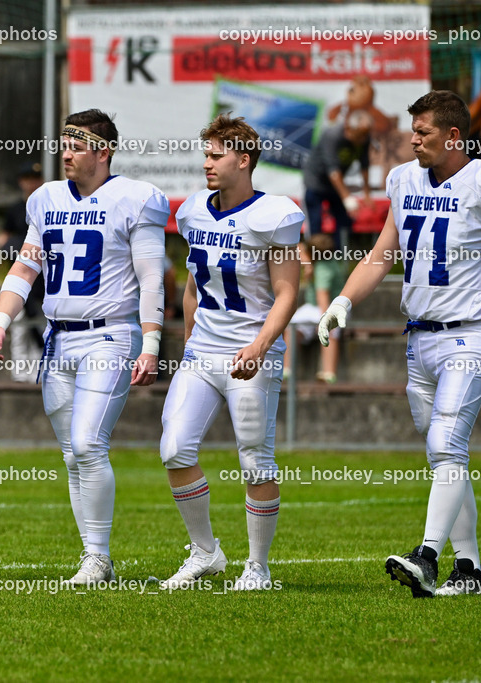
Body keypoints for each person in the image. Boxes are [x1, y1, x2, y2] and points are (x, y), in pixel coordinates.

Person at [318, 90, 481, 597]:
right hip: (419, 338)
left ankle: (427, 557)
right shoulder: (404, 180)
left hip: (472, 333)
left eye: (424, 132)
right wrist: (343, 302)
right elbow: (380, 254)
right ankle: (473, 571)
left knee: (445, 444)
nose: (413, 140)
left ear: (453, 136)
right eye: (413, 130)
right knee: (446, 458)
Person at [0, 109, 168, 586]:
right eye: (63, 144)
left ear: (103, 152)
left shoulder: (136, 199)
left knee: (88, 443)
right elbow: (26, 268)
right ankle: (95, 557)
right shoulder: (45, 199)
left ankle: (99, 557)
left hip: (110, 333)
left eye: (77, 145)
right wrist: (1, 320)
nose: (65, 153)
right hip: (58, 337)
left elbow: (152, 278)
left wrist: (151, 342)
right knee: (72, 454)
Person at [158, 114, 303, 591]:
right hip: (203, 351)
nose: (207, 164)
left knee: (255, 460)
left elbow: (286, 293)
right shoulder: (194, 210)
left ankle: (257, 566)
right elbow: (194, 288)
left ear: (244, 160)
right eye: (206, 154)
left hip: (251, 351)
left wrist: (260, 345)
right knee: (175, 448)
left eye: (217, 155)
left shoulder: (275, 213)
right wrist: (186, 340)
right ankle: (206, 552)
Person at [0, 161, 46, 382]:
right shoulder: (16, 209)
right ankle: (19, 373)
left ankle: (39, 371)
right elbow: (2, 242)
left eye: (35, 179)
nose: (32, 183)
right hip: (20, 279)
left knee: (40, 327)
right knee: (18, 326)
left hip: (42, 282)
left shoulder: (47, 206)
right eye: (28, 179)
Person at [302, 110, 373, 246]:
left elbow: (364, 165)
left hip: (336, 185)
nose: (362, 140)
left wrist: (367, 193)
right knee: (315, 222)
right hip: (316, 182)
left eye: (365, 135)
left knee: (345, 221)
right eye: (359, 135)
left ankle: (338, 258)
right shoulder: (332, 135)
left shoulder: (365, 137)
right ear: (348, 128)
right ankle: (314, 258)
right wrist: (347, 198)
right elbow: (333, 171)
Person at [283, 233, 345, 384]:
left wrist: (325, 319)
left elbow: (322, 296)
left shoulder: (323, 268)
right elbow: (300, 248)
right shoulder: (323, 261)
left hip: (329, 307)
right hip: (313, 308)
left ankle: (329, 373)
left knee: (330, 330)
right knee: (292, 327)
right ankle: (286, 370)